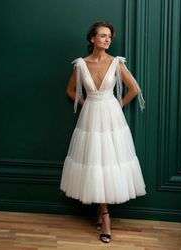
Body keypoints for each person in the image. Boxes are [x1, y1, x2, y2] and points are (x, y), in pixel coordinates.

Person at [60, 21, 146, 243]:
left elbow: (134, 89)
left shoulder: (116, 63)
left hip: (111, 118)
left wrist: (117, 105)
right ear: (92, 39)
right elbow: (70, 90)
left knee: (108, 162)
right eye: (102, 36)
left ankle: (104, 214)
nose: (107, 39)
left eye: (109, 36)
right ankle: (103, 213)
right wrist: (86, 104)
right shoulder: (80, 64)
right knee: (93, 162)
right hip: (90, 116)